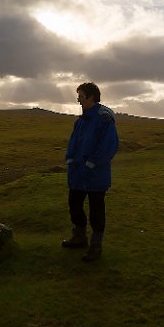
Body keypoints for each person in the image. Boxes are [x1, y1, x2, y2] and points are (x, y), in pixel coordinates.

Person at [61, 82, 119, 261]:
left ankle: (96, 245)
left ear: (91, 97)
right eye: (78, 96)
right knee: (74, 205)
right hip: (78, 174)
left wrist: (92, 163)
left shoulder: (104, 119)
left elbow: (109, 145)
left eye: (81, 96)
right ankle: (79, 237)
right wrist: (70, 159)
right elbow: (73, 143)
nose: (78, 100)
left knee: (96, 211)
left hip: (96, 175)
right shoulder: (80, 121)